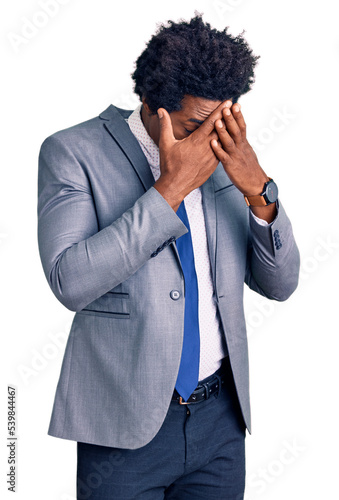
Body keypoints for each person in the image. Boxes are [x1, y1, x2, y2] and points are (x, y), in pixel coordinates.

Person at [37, 14, 300, 500]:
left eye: (224, 119)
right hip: (122, 430)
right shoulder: (72, 152)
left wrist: (260, 190)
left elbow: (279, 285)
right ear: (152, 106)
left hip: (220, 422)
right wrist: (171, 189)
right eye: (195, 126)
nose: (213, 138)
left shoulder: (229, 156)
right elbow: (69, 281)